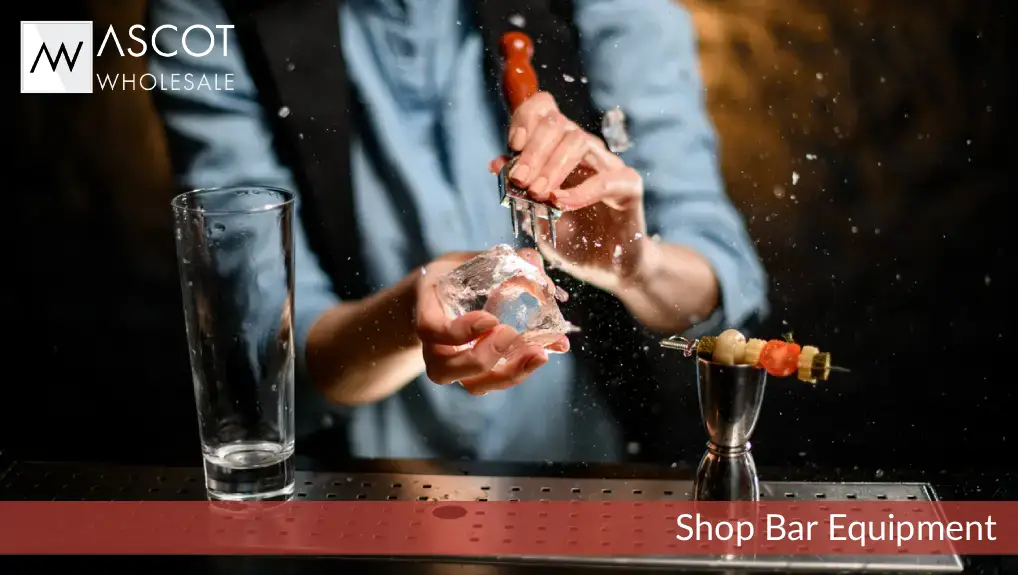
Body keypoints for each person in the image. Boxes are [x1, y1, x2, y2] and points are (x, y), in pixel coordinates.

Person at [148, 0, 768, 462]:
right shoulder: (202, 15)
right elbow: (272, 354)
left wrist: (638, 266)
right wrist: (408, 318)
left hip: (595, 475)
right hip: (349, 495)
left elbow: (720, 277)